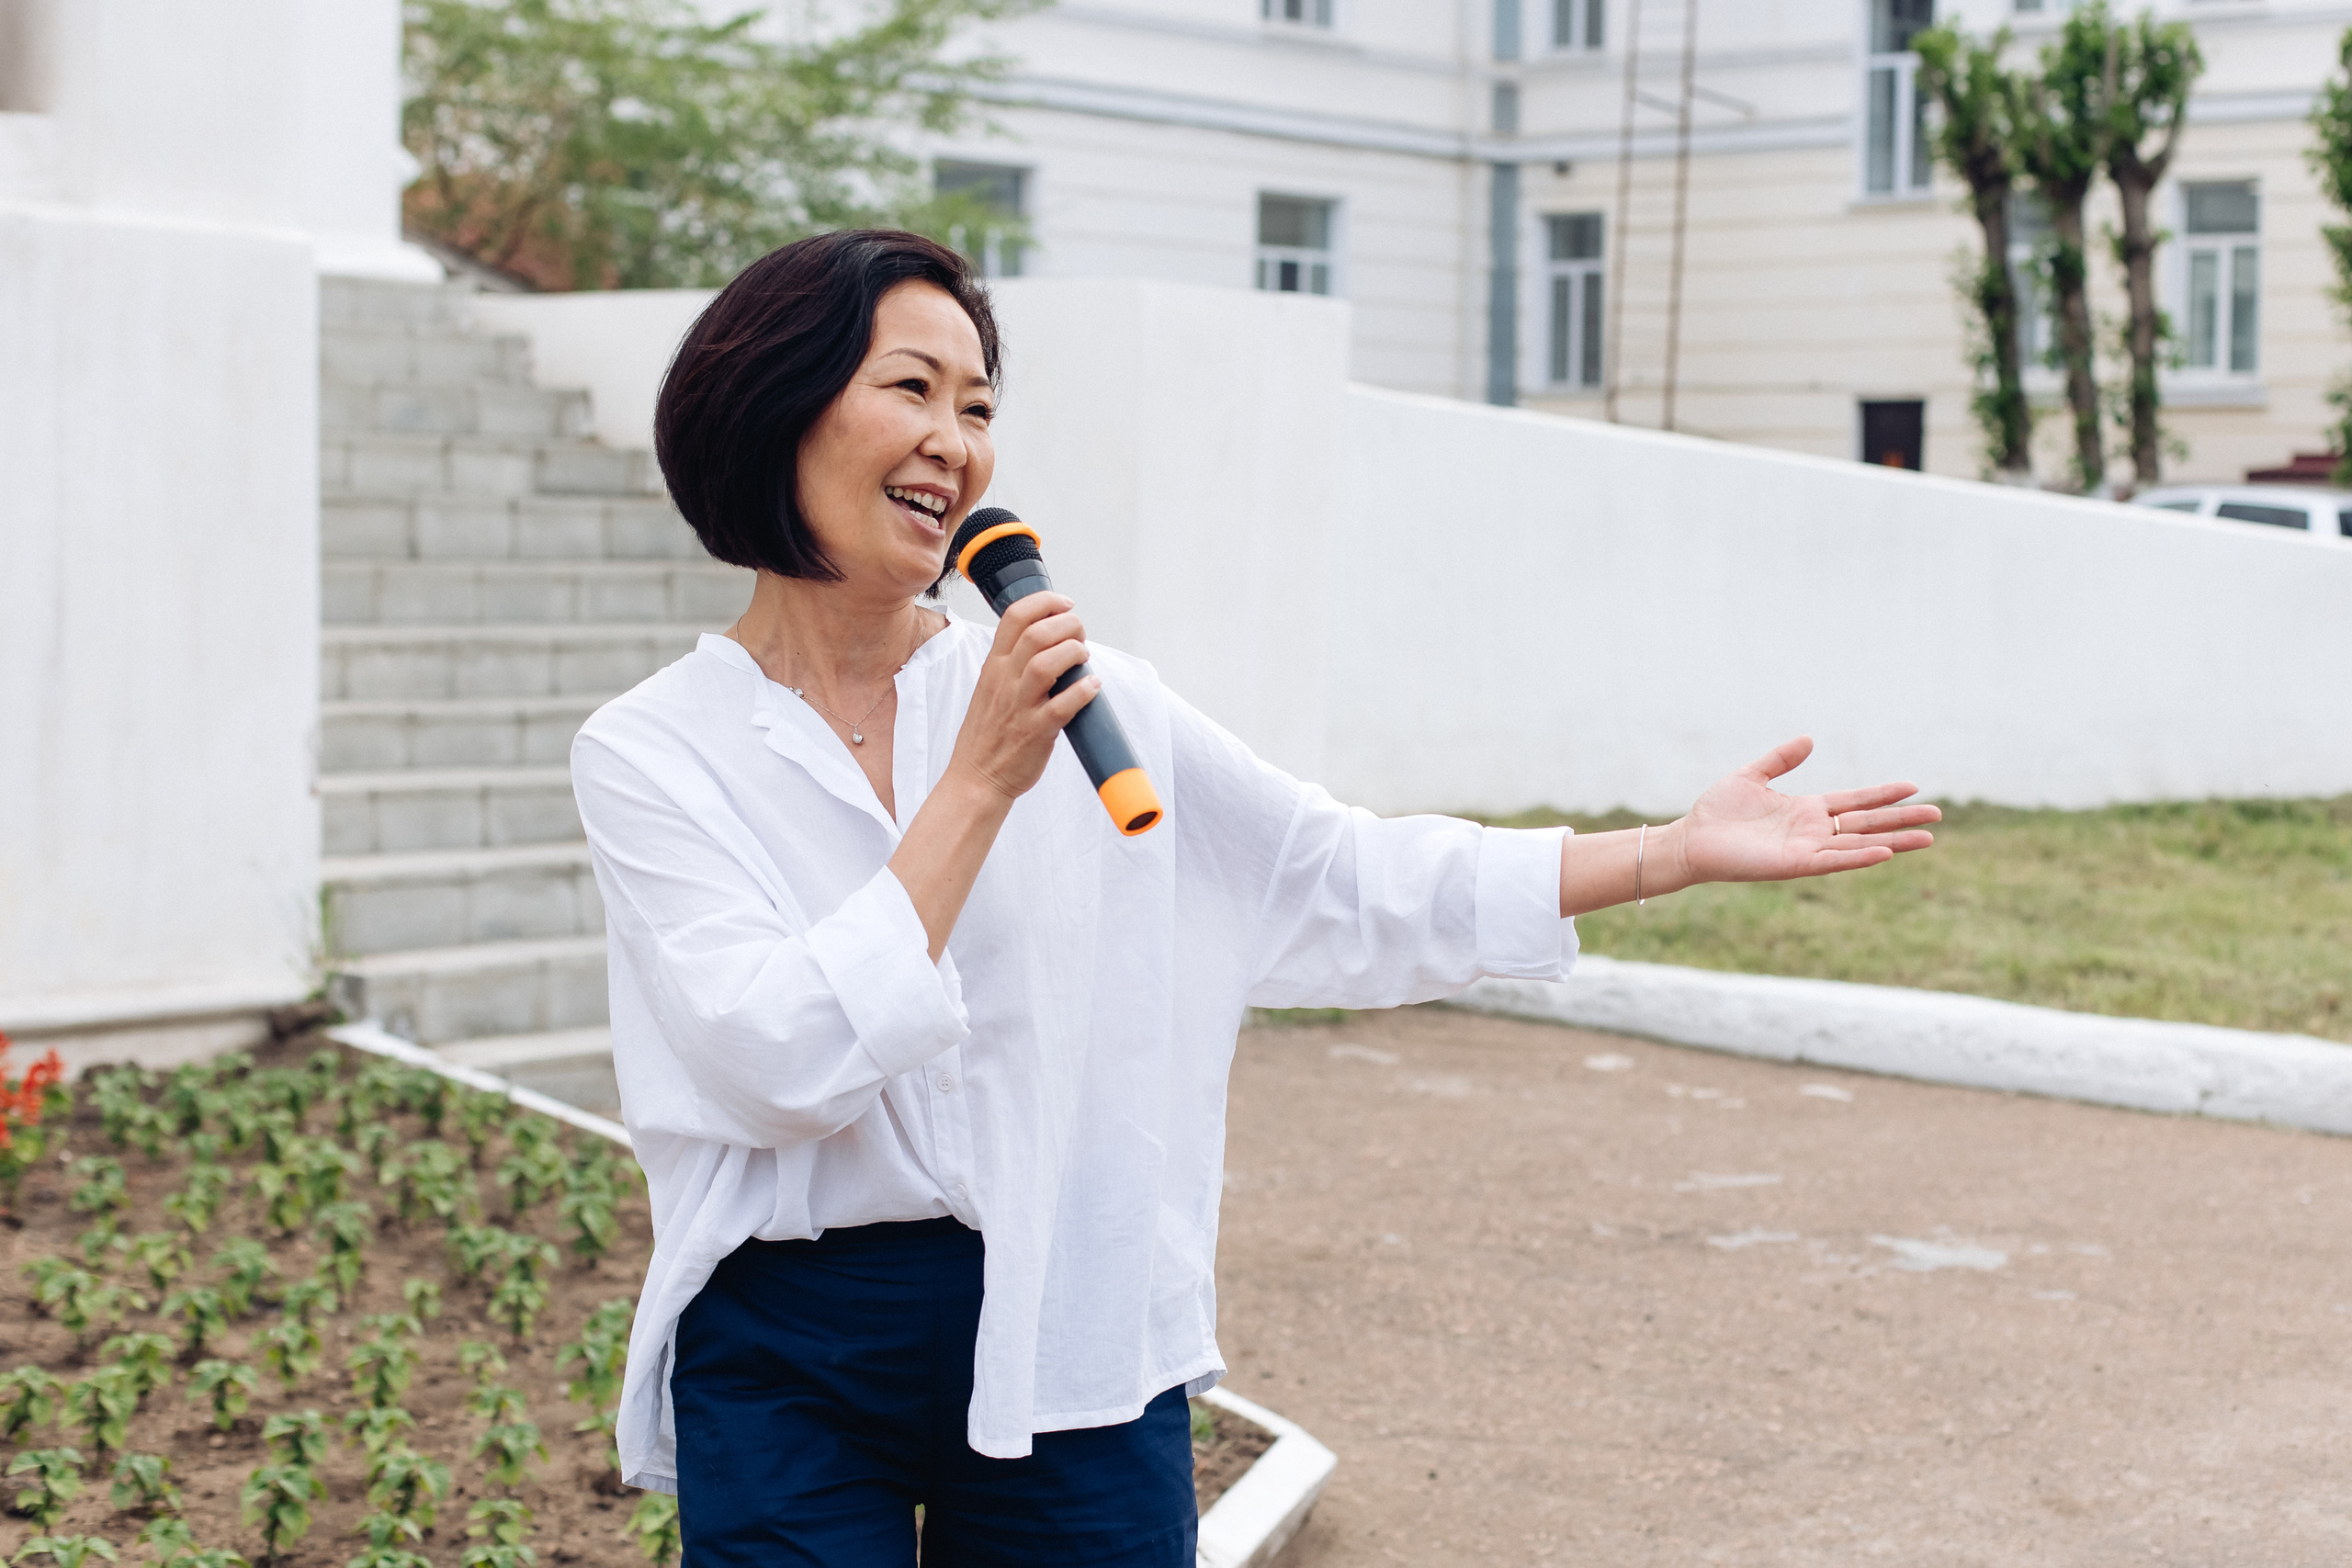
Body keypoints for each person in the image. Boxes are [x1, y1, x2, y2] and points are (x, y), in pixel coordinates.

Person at [571, 230, 1939, 1566]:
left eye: (979, 408)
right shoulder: (656, 751)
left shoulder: (1096, 706)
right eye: (912, 389)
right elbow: (778, 1060)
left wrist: (1670, 851)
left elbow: (1343, 878)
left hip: (1073, 1308)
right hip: (791, 1341)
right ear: (778, 404)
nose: (956, 442)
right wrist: (981, 782)